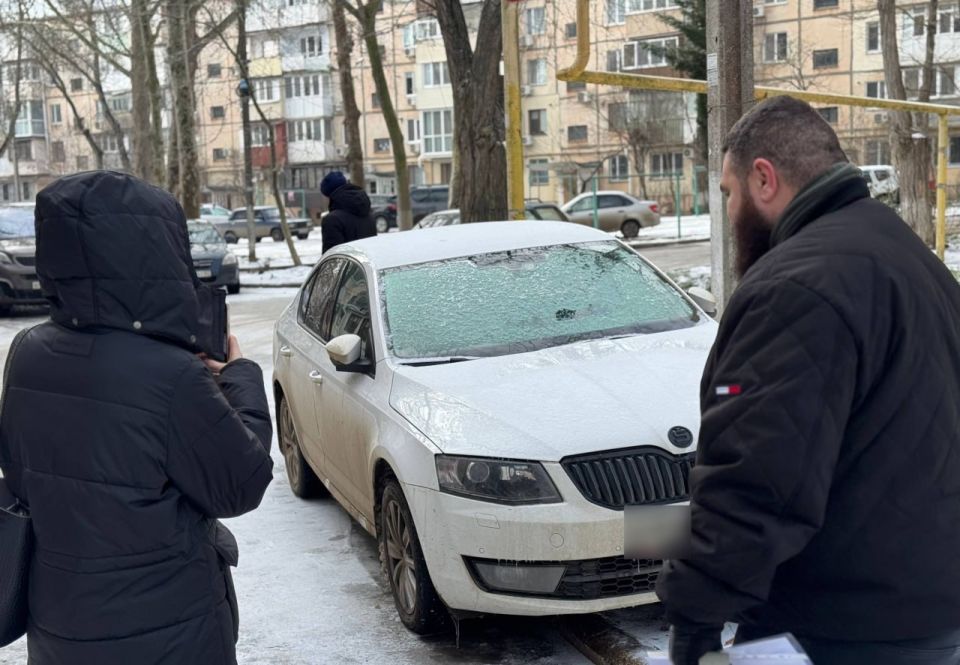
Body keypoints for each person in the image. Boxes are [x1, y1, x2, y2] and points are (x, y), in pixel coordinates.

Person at [657, 95, 960, 665]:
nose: (729, 211)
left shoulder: (795, 287)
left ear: (763, 178)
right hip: (924, 607)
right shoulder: (905, 254)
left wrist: (695, 613)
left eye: (728, 193)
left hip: (837, 626)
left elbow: (756, 479)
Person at [0, 171, 273, 665]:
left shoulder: (26, 353)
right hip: (170, 634)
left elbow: (22, 478)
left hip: (61, 629)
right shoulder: (171, 375)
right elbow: (240, 484)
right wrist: (241, 377)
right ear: (156, 253)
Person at [319, 170, 377, 253]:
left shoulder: (332, 220)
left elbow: (332, 256)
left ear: (330, 196)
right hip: (368, 261)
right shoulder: (368, 214)